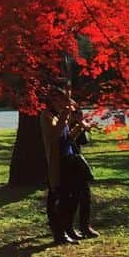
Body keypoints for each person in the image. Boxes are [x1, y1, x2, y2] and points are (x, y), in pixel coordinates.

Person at [40, 85, 98, 244]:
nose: (61, 103)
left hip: (70, 159)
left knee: (76, 195)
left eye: (63, 99)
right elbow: (54, 137)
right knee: (60, 197)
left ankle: (69, 229)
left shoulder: (60, 116)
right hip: (58, 163)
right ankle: (60, 233)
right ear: (51, 101)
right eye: (57, 99)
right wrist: (65, 115)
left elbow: (67, 139)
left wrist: (80, 126)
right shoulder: (47, 116)